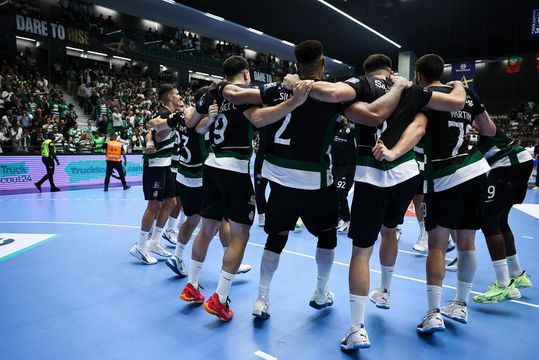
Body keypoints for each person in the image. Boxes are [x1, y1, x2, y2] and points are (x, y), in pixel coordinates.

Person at [288, 52, 466, 349]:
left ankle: (357, 327)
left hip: (372, 176)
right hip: (407, 174)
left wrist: (296, 81)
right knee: (391, 230)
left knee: (361, 251)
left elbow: (332, 93)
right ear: (391, 70)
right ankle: (385, 290)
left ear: (367, 71)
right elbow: (450, 106)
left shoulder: (360, 84)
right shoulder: (412, 89)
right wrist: (460, 87)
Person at [225, 41, 410, 328]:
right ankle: (321, 291)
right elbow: (374, 115)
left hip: (279, 179)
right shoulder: (334, 96)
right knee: (327, 236)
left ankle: (262, 297)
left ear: (296, 65)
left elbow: (236, 97)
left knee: (276, 237)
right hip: (316, 181)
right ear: (322, 64)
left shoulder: (277, 88)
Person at [179, 55, 308, 322]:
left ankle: (192, 286)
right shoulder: (245, 96)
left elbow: (192, 122)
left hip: (211, 165)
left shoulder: (215, 94)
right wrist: (292, 100)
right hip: (234, 168)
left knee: (207, 229)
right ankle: (221, 298)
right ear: (247, 74)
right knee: (241, 235)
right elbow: (260, 119)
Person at [413, 54, 496, 334]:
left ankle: (433, 312)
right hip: (475, 171)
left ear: (418, 74)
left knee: (437, 245)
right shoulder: (465, 95)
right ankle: (460, 304)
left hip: (444, 174)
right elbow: (490, 130)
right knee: (467, 241)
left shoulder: (425, 96)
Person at [163, 87, 251, 278]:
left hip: (183, 174)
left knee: (193, 219)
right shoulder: (205, 119)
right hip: (201, 175)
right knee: (220, 221)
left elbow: (161, 123)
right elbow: (200, 127)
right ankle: (231, 260)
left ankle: (177, 256)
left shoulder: (181, 117)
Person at [471, 129, 533, 303]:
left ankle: (503, 284)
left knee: (489, 222)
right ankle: (516, 273)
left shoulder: (469, 113)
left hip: (508, 163)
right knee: (500, 220)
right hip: (518, 162)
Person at [129, 84, 182, 265]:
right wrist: (152, 139)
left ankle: (155, 241)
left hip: (166, 164)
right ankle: (140, 247)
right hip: (155, 164)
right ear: (169, 97)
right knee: (154, 206)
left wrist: (150, 139)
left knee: (171, 201)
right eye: (177, 94)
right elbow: (153, 127)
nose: (180, 96)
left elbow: (150, 132)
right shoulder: (164, 114)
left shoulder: (168, 114)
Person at [331, 116, 356, 234]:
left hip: (348, 167)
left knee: (339, 191)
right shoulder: (333, 128)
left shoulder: (352, 129)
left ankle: (347, 219)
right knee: (334, 193)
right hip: (335, 166)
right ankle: (339, 217)